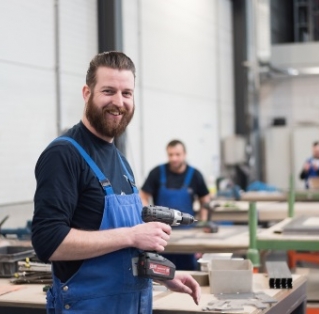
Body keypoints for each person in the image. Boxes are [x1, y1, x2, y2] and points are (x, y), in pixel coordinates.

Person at [31, 52, 200, 314]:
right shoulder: (64, 154)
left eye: (127, 93)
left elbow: (126, 248)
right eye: (108, 91)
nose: (119, 102)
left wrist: (163, 274)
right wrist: (132, 234)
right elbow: (48, 242)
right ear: (87, 93)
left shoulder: (120, 162)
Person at [140, 140, 211, 270]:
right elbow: (143, 195)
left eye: (177, 154)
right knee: (161, 272)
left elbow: (205, 200)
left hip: (187, 235)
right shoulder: (157, 173)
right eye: (171, 155)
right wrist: (147, 218)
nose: (174, 158)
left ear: (184, 154)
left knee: (188, 271)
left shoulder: (195, 175)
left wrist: (203, 222)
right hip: (162, 234)